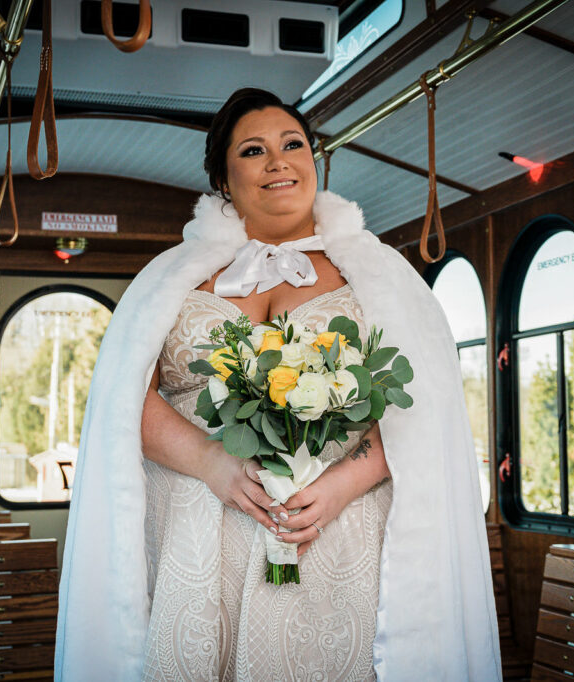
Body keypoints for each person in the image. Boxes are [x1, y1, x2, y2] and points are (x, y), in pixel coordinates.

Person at [55, 88, 501, 681]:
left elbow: (428, 410)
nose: (278, 161)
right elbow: (121, 402)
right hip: (194, 534)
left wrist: (343, 483)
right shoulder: (167, 278)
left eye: (293, 145)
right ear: (221, 177)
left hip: (341, 535)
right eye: (253, 150)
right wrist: (213, 463)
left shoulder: (381, 275)